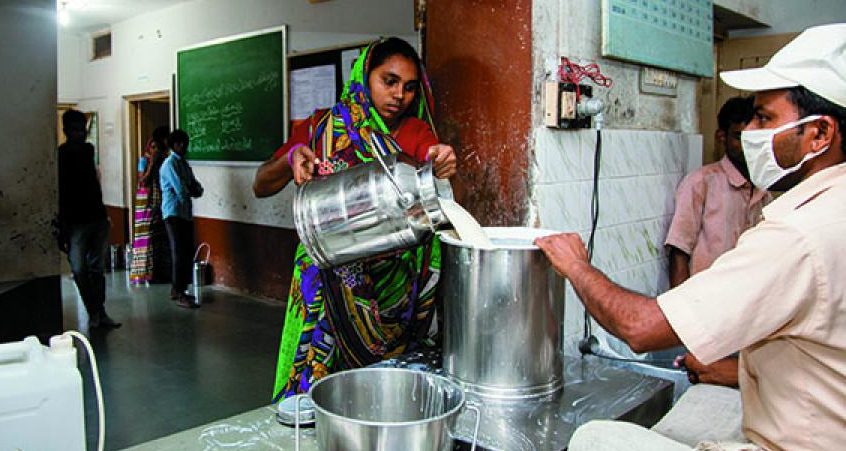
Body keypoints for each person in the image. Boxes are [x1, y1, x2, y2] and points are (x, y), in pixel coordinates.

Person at [536, 24, 846, 450]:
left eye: (764, 118)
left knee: (594, 438)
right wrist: (735, 371)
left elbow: (639, 328)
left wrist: (576, 266)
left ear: (820, 134)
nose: (751, 133)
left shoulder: (798, 234)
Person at [253, 37, 457, 402]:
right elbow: (261, 185)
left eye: (410, 87)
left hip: (392, 289)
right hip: (329, 276)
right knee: (321, 385)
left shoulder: (414, 132)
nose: (400, 95)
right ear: (364, 77)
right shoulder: (321, 128)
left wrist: (440, 161)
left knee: (379, 394)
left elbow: (432, 159)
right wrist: (292, 159)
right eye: (389, 81)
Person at [665, 96, 770, 389]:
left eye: (753, 139)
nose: (747, 147)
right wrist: (683, 319)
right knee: (704, 384)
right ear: (722, 137)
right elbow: (678, 252)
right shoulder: (701, 182)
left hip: (747, 314)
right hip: (706, 313)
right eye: (739, 137)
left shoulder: (764, 190)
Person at [57, 109, 121, 329]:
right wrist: (63, 227)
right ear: (66, 131)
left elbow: (93, 185)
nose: (81, 134)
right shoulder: (61, 155)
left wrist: (105, 216)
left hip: (97, 218)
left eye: (82, 130)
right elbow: (63, 191)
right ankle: (94, 310)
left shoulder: (88, 150)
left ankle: (99, 312)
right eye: (76, 130)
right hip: (75, 223)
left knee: (96, 269)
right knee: (78, 269)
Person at [159, 129, 203, 308]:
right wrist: (190, 189)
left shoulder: (184, 164)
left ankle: (180, 289)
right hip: (173, 213)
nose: (183, 146)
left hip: (185, 213)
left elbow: (197, 188)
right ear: (173, 145)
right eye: (179, 143)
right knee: (178, 252)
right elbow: (181, 189)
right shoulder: (169, 164)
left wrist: (193, 189)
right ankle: (179, 292)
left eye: (185, 143)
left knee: (186, 252)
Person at [129, 126, 171, 285]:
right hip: (149, 202)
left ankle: (156, 272)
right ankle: (147, 273)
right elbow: (144, 181)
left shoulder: (165, 158)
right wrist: (152, 164)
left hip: (158, 201)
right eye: (152, 147)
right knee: (149, 236)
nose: (154, 150)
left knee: (157, 237)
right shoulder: (148, 159)